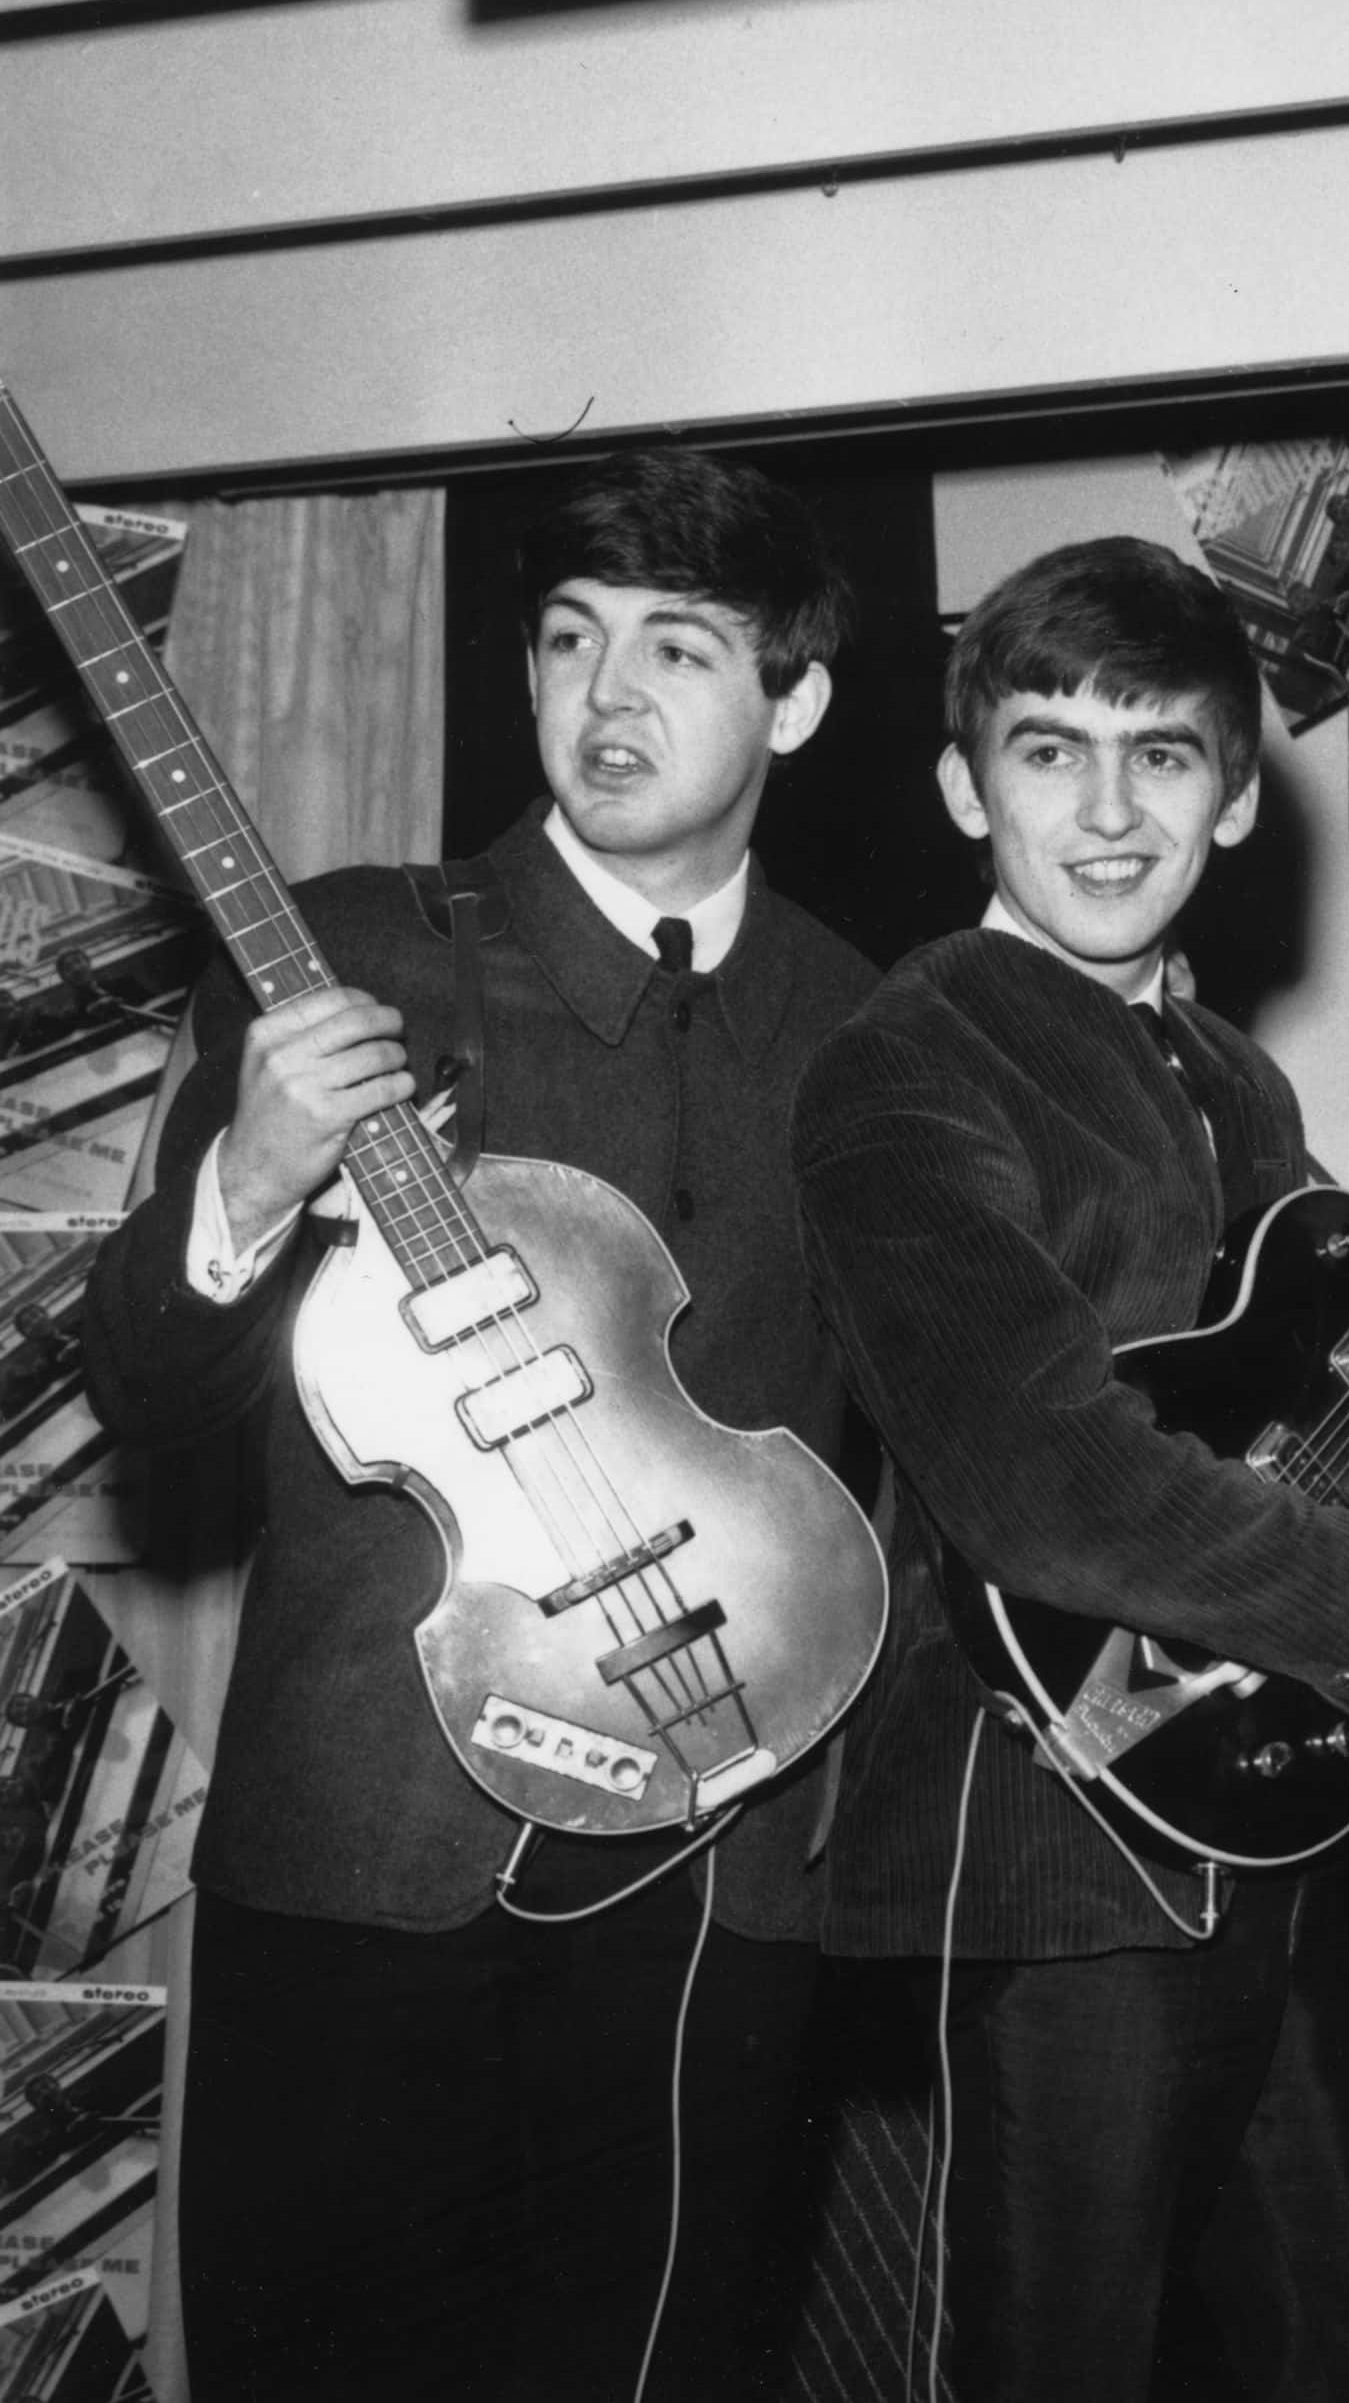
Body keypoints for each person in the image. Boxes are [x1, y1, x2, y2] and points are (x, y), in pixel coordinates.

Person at [792, 536, 1349, 2403]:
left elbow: (1302, 1437)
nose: (1108, 811)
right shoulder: (909, 1056)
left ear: (1233, 794)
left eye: (1163, 754)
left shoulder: (1225, 1074)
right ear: (965, 786)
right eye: (1049, 750)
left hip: (1267, 1818)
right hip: (1047, 1851)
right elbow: (1045, 1478)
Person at [83, 451, 875, 2401]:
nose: (605, 698)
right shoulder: (348, 944)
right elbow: (147, 1396)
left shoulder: (880, 1031)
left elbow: (929, 1457)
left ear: (795, 698)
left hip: (716, 1876)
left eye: (675, 649)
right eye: (565, 640)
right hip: (368, 1867)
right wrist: (250, 1181)